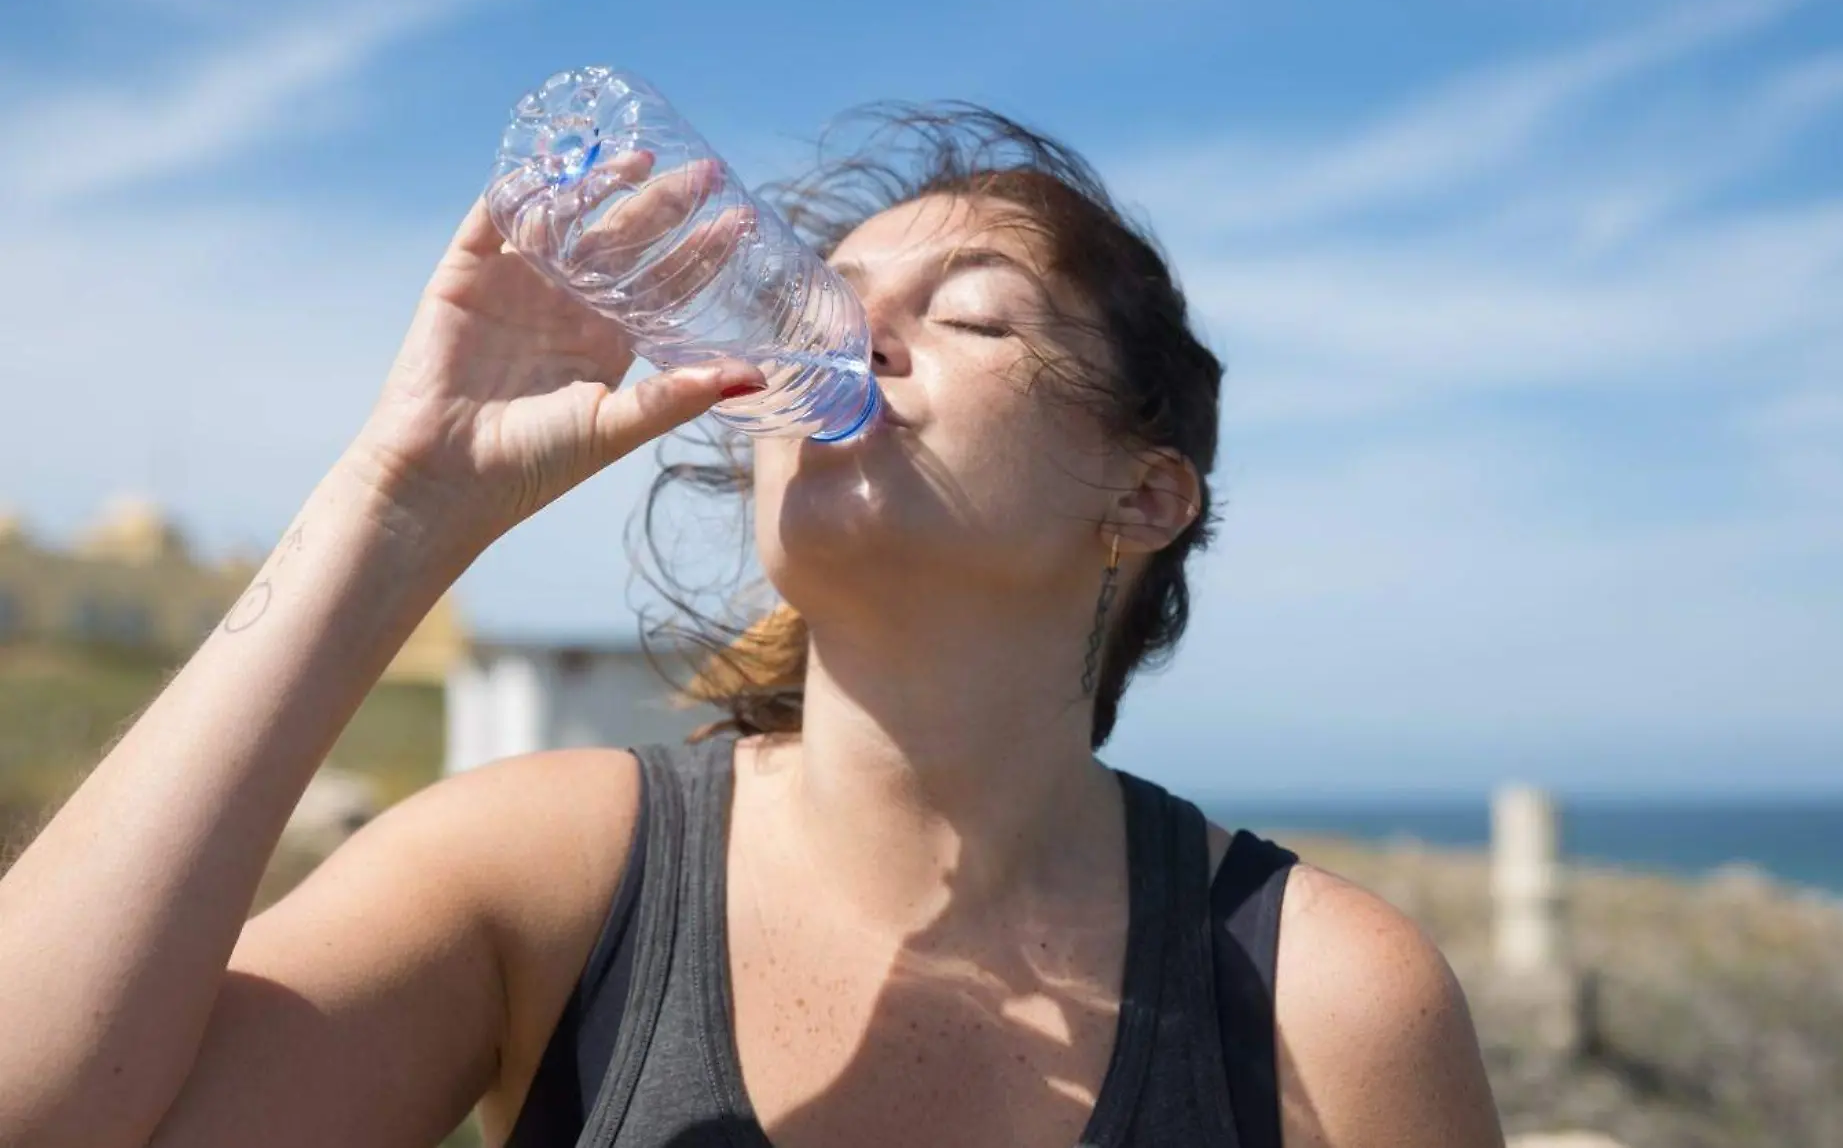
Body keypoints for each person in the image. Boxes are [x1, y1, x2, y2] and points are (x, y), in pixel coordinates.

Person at [0, 107, 1503, 1148]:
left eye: (973, 314)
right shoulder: (555, 879)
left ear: (1147, 494)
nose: (845, 339)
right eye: (823, 303)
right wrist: (402, 504)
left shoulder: (1320, 995)